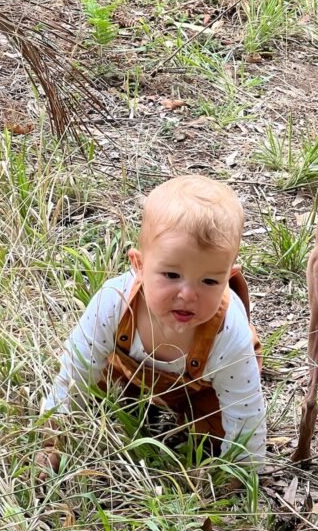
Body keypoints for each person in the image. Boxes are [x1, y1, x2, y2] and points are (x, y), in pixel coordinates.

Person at [38, 175, 266, 473]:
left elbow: (245, 412)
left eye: (209, 281)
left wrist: (245, 474)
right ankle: (140, 406)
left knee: (214, 438)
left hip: (206, 386)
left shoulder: (228, 335)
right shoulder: (114, 303)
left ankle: (194, 425)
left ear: (228, 278)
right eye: (171, 275)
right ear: (139, 265)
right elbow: (74, 374)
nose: (188, 295)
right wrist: (52, 440)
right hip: (132, 370)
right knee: (102, 392)